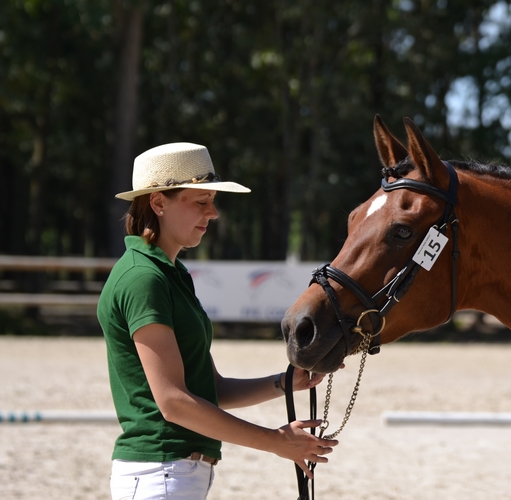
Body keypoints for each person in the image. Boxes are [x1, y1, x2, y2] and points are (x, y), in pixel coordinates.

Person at [97, 142, 337, 500]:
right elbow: (174, 401)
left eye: (212, 201)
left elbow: (212, 389)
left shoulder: (170, 274)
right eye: (200, 202)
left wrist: (285, 382)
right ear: (158, 203)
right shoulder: (143, 278)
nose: (213, 213)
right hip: (160, 473)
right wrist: (275, 441)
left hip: (176, 473)